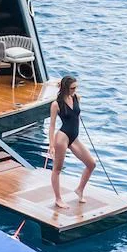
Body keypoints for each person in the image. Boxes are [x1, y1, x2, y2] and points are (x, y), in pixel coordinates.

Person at [47, 75, 96, 210]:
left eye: (76, 87)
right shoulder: (56, 104)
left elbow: (76, 115)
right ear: (65, 88)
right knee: (57, 169)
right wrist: (51, 145)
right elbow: (51, 126)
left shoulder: (76, 98)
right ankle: (58, 199)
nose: (75, 89)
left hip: (74, 138)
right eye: (72, 88)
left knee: (91, 164)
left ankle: (79, 190)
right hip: (62, 137)